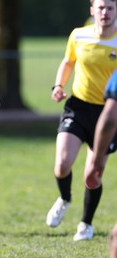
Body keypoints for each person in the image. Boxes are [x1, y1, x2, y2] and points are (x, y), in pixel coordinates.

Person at [46, 0, 117, 241]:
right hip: (78, 107)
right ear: (92, 10)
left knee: (92, 175)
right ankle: (64, 198)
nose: (105, 12)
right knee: (62, 164)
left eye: (110, 7)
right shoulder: (79, 35)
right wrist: (58, 86)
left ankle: (86, 224)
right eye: (101, 7)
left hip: (108, 113)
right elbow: (68, 62)